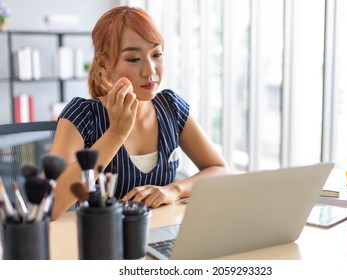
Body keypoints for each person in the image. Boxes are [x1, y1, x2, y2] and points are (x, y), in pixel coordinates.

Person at [49, 6, 229, 220]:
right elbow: (51, 206)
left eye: (157, 54)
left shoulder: (171, 107)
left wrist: (173, 190)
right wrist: (115, 133)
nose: (150, 71)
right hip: (102, 242)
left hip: (162, 237)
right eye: (133, 59)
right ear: (103, 64)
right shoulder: (82, 115)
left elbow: (219, 169)